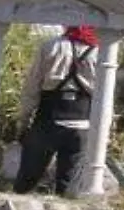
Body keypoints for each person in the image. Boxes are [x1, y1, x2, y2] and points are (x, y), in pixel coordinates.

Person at [14, 25, 100, 195]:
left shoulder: (51, 46)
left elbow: (32, 88)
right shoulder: (100, 52)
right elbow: (104, 95)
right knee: (68, 185)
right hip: (81, 125)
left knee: (26, 181)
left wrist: (23, 121)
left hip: (48, 121)